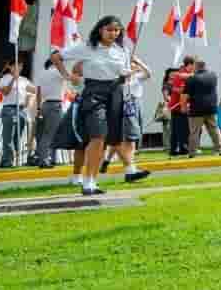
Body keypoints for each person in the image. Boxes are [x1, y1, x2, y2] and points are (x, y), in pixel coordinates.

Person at [61, 16, 153, 194]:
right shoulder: (87, 47)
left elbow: (125, 74)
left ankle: (92, 181)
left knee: (108, 139)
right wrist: (67, 75)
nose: (113, 33)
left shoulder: (122, 50)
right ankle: (85, 180)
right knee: (96, 138)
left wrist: (129, 72)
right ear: (100, 30)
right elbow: (57, 56)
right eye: (109, 29)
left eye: (117, 30)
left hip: (116, 94)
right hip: (92, 95)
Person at [31, 48, 68, 168]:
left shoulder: (42, 73)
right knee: (51, 134)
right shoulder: (58, 72)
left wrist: (38, 109)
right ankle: (45, 160)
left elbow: (38, 93)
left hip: (44, 104)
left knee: (44, 134)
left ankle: (45, 158)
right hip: (55, 105)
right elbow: (69, 77)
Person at [184, 58, 221, 156]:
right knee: (215, 129)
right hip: (211, 107)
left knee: (194, 131)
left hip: (196, 108)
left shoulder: (191, 79)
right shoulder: (213, 76)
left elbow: (184, 96)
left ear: (196, 66)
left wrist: (184, 107)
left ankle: (192, 152)